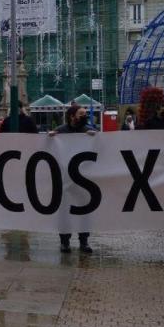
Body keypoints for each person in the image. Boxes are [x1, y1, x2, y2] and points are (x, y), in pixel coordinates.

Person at [49, 105, 97, 253]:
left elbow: (101, 144)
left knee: (84, 211)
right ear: (72, 116)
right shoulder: (61, 130)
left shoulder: (89, 130)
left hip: (84, 179)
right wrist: (50, 137)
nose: (85, 116)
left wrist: (94, 136)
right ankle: (65, 241)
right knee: (64, 211)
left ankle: (84, 241)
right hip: (65, 179)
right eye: (81, 114)